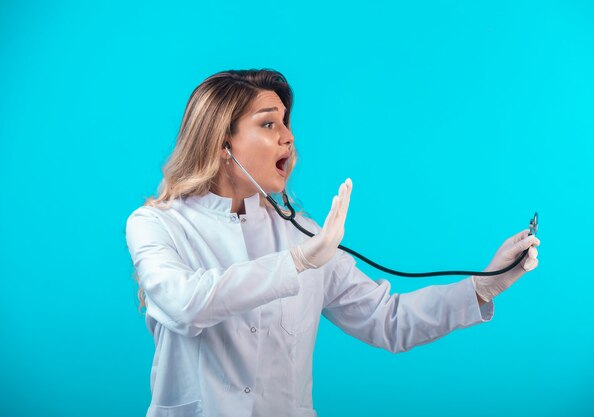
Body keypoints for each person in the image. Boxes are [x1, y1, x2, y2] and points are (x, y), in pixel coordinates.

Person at [125, 69, 541, 417]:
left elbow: (388, 320)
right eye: (269, 123)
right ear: (222, 144)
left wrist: (483, 286)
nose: (288, 137)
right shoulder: (155, 225)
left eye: (287, 123)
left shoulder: (305, 234)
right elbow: (184, 303)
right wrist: (297, 263)